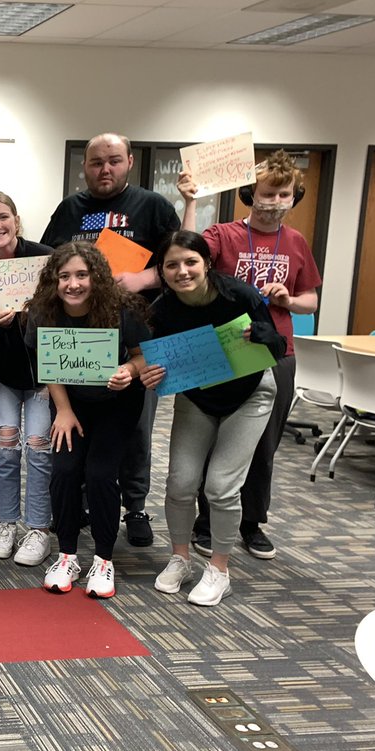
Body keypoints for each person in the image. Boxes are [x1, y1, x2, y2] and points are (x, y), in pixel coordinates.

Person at [41, 133, 181, 548]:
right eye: (97, 162)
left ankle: (134, 506)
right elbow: (50, 262)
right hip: (76, 340)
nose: (105, 169)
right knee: (79, 427)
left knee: (135, 429)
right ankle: (85, 504)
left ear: (130, 162)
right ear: (84, 166)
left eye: (114, 161)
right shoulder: (71, 208)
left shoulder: (151, 206)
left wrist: (145, 278)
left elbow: (181, 259)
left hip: (134, 334)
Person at [180, 151, 321, 561]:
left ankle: (252, 523)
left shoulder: (296, 243)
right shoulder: (224, 235)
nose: (276, 201)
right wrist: (190, 202)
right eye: (268, 193)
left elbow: (310, 299)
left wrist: (290, 299)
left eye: (285, 194)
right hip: (222, 350)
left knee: (263, 445)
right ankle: (205, 523)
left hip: (276, 351)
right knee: (213, 440)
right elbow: (187, 255)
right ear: (249, 194)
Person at [141, 231, 285, 606]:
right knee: (181, 481)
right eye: (171, 265)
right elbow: (156, 361)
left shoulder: (240, 296)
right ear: (162, 271)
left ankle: (219, 570)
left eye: (190, 261)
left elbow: (278, 346)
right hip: (199, 397)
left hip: (249, 394)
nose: (182, 271)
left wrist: (263, 334)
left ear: (206, 262)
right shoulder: (162, 310)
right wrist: (152, 374)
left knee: (220, 485)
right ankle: (180, 558)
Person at [26, 242, 149, 599]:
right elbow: (50, 369)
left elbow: (144, 357)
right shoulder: (43, 311)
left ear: (96, 277)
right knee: (64, 470)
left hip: (117, 402)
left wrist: (129, 369)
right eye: (64, 276)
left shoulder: (122, 309)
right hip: (71, 404)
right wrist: (63, 410)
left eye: (82, 275)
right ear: (54, 280)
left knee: (99, 474)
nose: (73, 284)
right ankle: (67, 554)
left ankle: (104, 558)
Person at [0, 192, 54, 566]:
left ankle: (38, 528)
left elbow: (68, 304)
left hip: (44, 373)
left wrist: (29, 310)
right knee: (5, 448)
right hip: (1, 373)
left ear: (16, 219)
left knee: (38, 447)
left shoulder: (45, 258)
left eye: (3, 217)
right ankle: (6, 522)